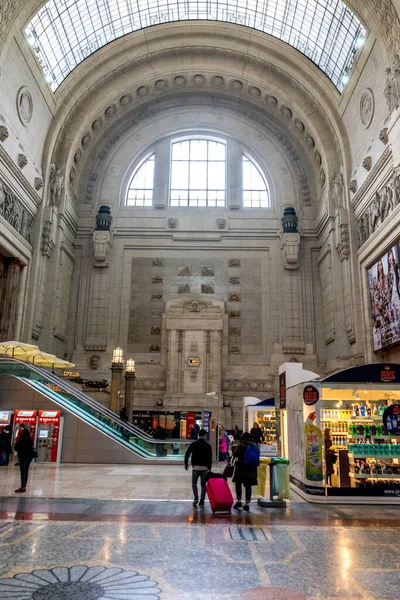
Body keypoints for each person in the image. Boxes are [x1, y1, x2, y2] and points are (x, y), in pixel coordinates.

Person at [184, 428, 212, 507]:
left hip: (195, 468)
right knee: (203, 484)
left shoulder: (193, 444)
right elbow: (210, 457)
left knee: (194, 483)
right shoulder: (208, 446)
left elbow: (187, 453)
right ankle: (202, 500)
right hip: (204, 468)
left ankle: (196, 497)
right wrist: (209, 468)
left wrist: (186, 463)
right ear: (204, 435)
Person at [232, 432, 258, 512]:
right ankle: (247, 503)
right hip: (251, 468)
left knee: (238, 483)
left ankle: (239, 501)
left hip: (241, 467)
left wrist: (233, 448)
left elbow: (235, 454)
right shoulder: (254, 445)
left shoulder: (242, 444)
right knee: (248, 485)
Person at [14, 425, 34, 493]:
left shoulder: (21, 439)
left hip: (23, 457)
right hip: (29, 457)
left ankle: (23, 487)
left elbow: (16, 448)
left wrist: (17, 441)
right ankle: (24, 486)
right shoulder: (30, 438)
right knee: (26, 471)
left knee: (22, 471)